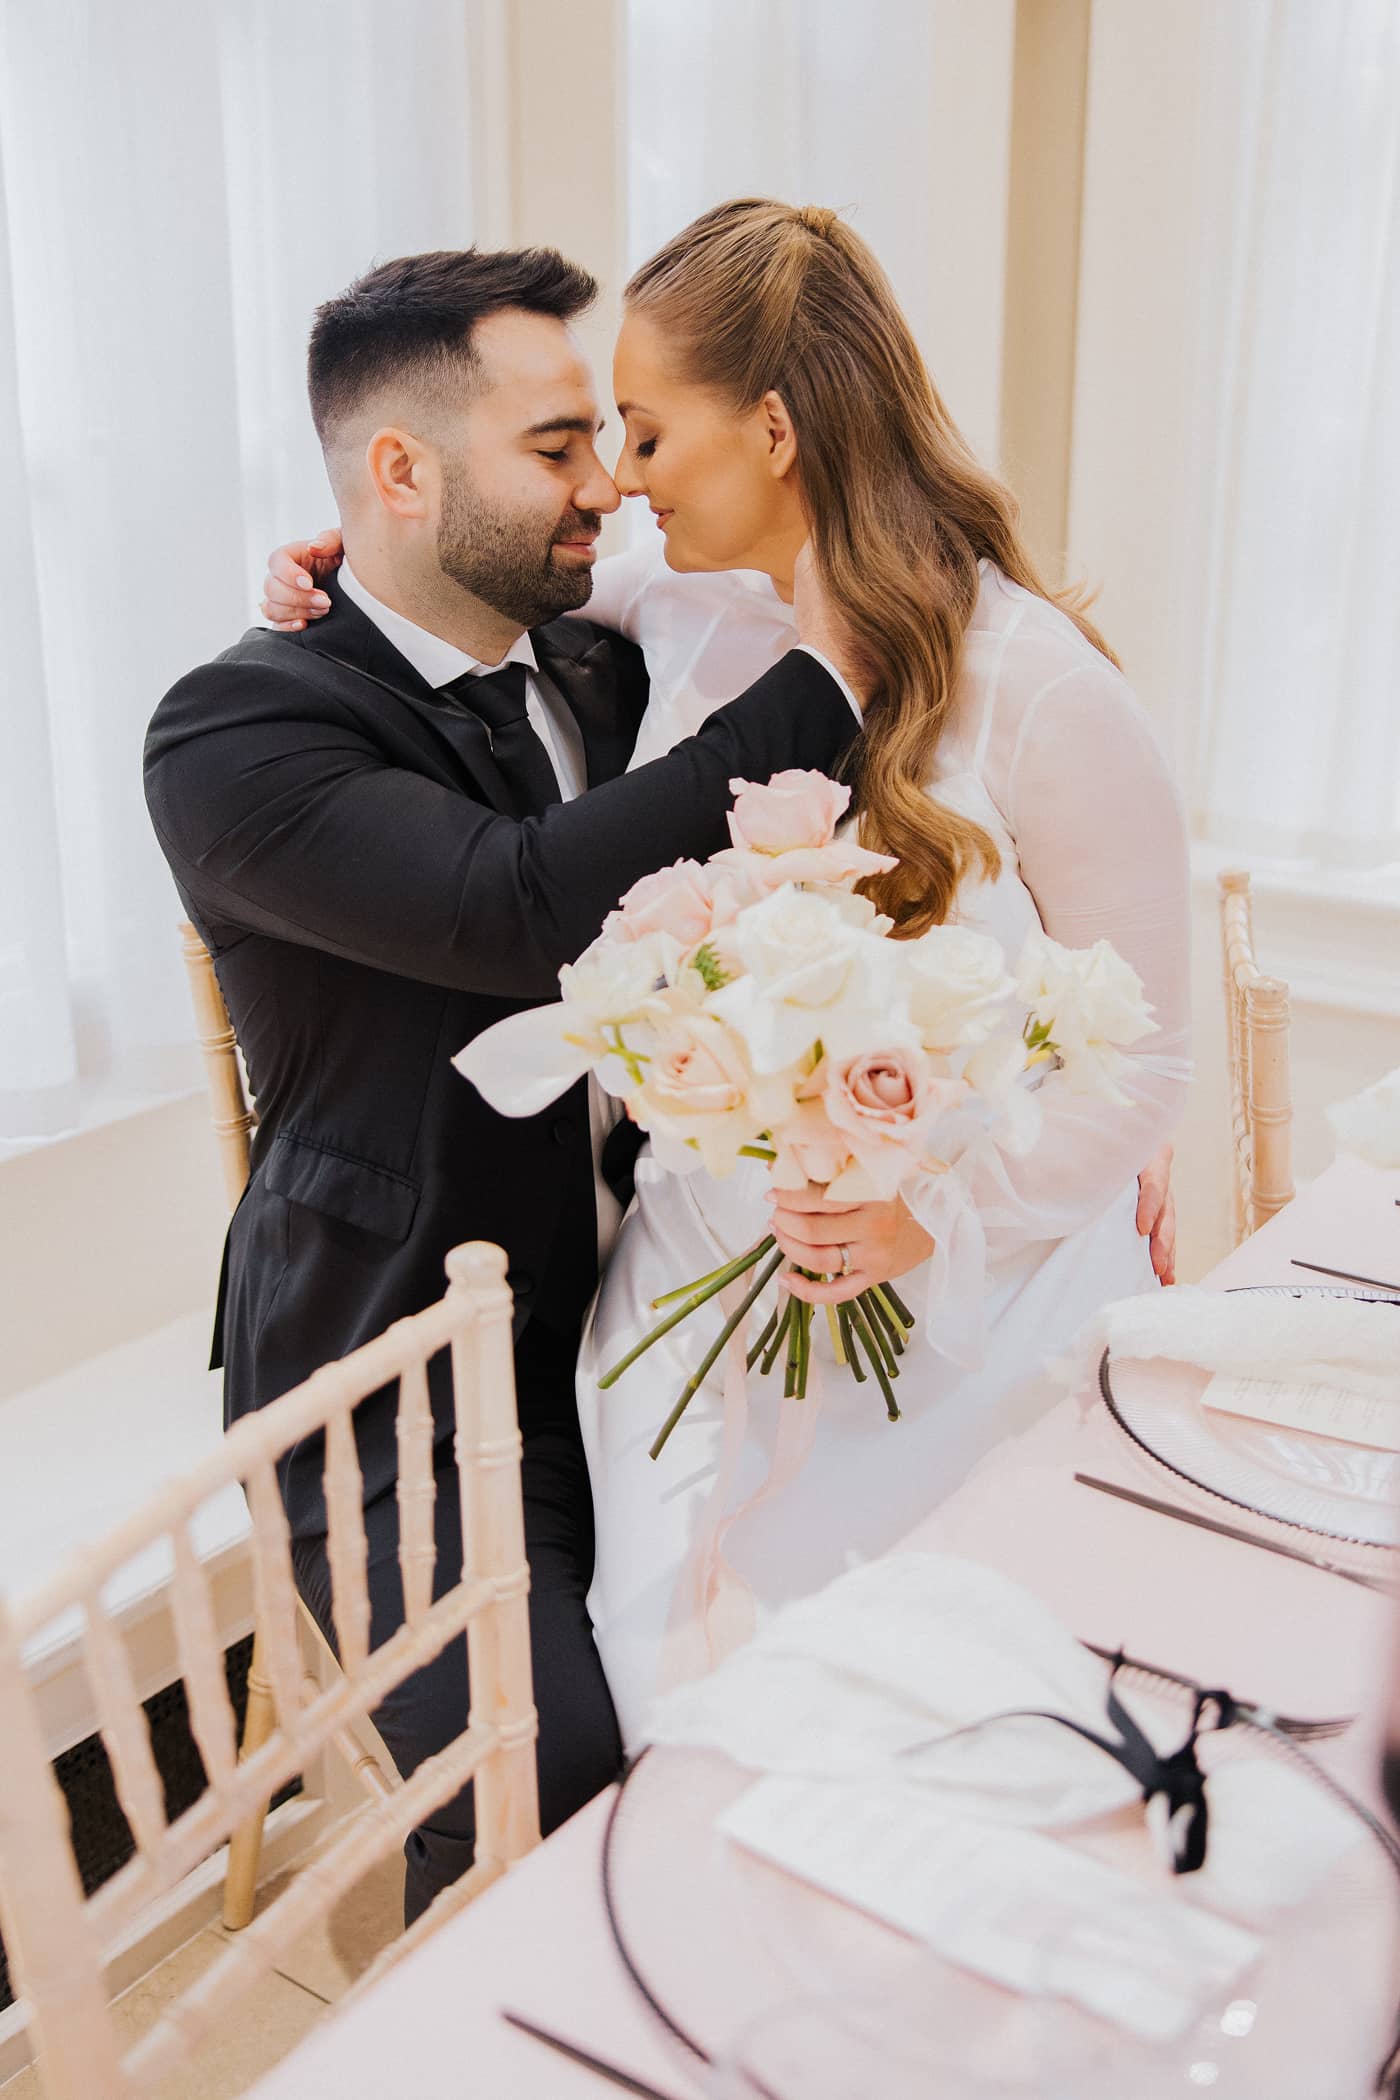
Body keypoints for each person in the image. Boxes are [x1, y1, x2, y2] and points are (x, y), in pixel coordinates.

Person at [262, 201, 1187, 1751]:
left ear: (773, 429)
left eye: (642, 431)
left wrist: (930, 1210)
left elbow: (1149, 1061)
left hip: (952, 1304)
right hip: (686, 1297)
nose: (617, 481)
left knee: (947, 1719)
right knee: (683, 1721)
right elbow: (459, 599)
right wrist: (334, 564)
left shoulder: (1040, 687)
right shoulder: (672, 607)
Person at [143, 243, 871, 1922]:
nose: (606, 485)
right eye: (557, 449)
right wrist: (838, 670)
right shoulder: (237, 732)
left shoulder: (603, 676)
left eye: (610, 439)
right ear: (398, 470)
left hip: (641, 1304)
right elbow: (517, 906)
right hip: (392, 1369)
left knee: (826, 1669)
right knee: (551, 1783)